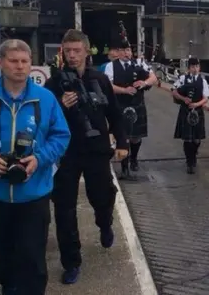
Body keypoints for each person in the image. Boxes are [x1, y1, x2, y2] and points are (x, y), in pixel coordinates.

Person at [0, 39, 71, 295]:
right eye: (13, 61)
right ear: (0, 63)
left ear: (31, 65)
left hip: (33, 194)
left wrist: (39, 158)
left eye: (24, 61)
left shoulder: (46, 99)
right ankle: (9, 282)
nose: (19, 67)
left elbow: (61, 136)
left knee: (32, 258)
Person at [44, 29, 129, 285]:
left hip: (97, 149)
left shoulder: (100, 80)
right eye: (67, 51)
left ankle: (105, 223)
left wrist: (122, 142)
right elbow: (43, 120)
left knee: (102, 197)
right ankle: (71, 261)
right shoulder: (53, 83)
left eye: (76, 50)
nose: (71, 56)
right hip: (67, 152)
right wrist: (61, 105)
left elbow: (114, 113)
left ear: (86, 51)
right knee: (64, 209)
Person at [104, 36, 158, 178]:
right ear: (118, 52)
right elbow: (108, 86)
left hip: (137, 104)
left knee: (136, 138)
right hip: (120, 105)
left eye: (128, 50)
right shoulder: (111, 66)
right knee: (123, 136)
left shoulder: (140, 63)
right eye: (123, 50)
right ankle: (124, 167)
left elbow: (154, 78)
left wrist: (144, 83)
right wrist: (124, 90)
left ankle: (134, 158)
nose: (126, 53)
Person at [172, 57, 209, 174]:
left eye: (197, 67)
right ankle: (190, 162)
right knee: (188, 139)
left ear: (199, 68)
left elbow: (206, 98)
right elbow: (173, 91)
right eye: (193, 67)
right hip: (185, 111)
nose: (195, 69)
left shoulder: (202, 81)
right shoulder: (183, 78)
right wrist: (184, 99)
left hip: (197, 111)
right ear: (189, 68)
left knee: (197, 139)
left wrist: (196, 104)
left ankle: (193, 155)